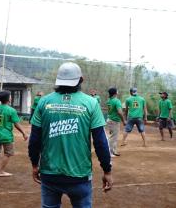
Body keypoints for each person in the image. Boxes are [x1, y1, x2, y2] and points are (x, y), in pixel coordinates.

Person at [28, 62, 113, 208]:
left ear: (58, 80)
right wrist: (107, 170)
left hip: (50, 175)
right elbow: (100, 142)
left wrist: (35, 165)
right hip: (79, 176)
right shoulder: (91, 103)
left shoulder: (44, 102)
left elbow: (34, 140)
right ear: (81, 80)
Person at [0, 91, 28, 177]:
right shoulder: (11, 110)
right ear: (8, 99)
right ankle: (1, 171)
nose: (11, 97)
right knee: (8, 153)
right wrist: (24, 133)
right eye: (10, 96)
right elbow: (16, 124)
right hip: (6, 135)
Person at [106, 87, 126, 157]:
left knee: (113, 136)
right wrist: (123, 121)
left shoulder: (109, 100)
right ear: (115, 93)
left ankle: (113, 151)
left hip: (109, 119)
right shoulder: (117, 101)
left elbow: (109, 111)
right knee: (113, 137)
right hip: (114, 121)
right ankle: (109, 152)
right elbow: (120, 112)